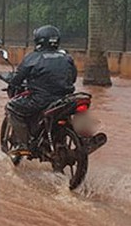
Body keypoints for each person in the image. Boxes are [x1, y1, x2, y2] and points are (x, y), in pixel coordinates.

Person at [5, 25, 78, 155]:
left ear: (39, 40)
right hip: (65, 99)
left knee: (11, 107)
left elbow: (18, 78)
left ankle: (23, 144)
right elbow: (73, 78)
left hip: (41, 101)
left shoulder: (33, 58)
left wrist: (12, 83)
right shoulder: (66, 57)